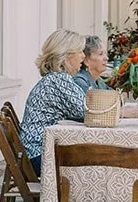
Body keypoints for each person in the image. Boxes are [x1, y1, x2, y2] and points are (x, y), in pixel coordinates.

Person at [19, 29, 88, 174]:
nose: (83, 56)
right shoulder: (58, 80)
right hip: (39, 155)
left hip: (36, 152)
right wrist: (122, 113)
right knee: (94, 160)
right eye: (80, 51)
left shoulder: (55, 78)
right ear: (67, 55)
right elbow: (87, 110)